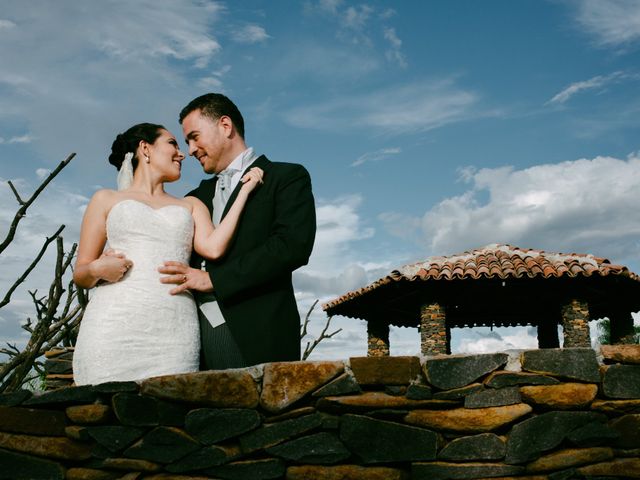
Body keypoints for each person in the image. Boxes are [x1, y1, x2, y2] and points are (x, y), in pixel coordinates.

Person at [72, 123, 263, 385]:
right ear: (145, 148)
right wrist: (97, 269)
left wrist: (244, 192)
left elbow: (215, 248)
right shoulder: (105, 199)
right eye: (173, 143)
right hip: (113, 325)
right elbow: (81, 273)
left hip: (174, 331)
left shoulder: (191, 204)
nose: (182, 153)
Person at [159, 93, 316, 369]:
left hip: (259, 333)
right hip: (189, 338)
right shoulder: (195, 196)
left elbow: (291, 246)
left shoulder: (287, 177)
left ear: (225, 126)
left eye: (195, 137)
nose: (191, 149)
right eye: (187, 142)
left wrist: (214, 280)